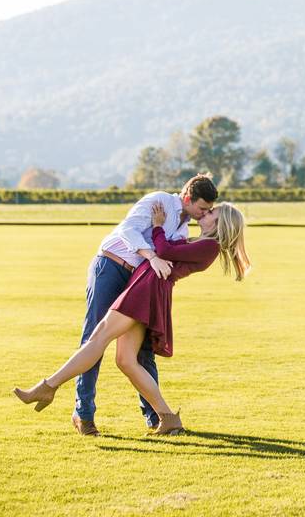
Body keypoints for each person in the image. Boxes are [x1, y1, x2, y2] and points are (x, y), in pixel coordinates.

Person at [14, 201, 251, 435]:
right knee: (126, 360)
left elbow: (165, 251)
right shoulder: (201, 242)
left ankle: (48, 387)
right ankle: (168, 418)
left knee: (98, 338)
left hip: (146, 290)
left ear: (221, 224)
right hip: (147, 287)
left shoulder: (209, 247)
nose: (206, 213)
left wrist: (158, 225)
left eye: (211, 212)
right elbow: (166, 251)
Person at [71, 174, 217, 436]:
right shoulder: (158, 201)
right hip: (111, 267)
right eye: (202, 208)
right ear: (188, 198)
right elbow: (128, 230)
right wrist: (150, 255)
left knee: (143, 351)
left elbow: (170, 255)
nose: (204, 214)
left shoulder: (183, 228)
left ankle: (156, 417)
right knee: (95, 338)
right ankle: (84, 414)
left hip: (136, 281)